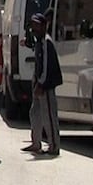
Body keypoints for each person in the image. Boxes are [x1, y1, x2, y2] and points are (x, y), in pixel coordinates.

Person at [23, 12, 63, 156]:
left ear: (44, 26)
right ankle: (36, 143)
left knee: (49, 116)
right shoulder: (39, 41)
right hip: (38, 82)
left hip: (45, 84)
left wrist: (41, 84)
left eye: (37, 25)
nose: (34, 28)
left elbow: (47, 65)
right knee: (35, 113)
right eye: (33, 25)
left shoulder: (46, 42)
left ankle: (54, 146)